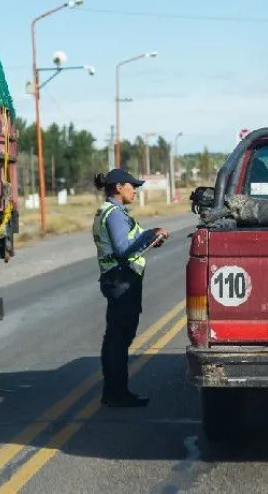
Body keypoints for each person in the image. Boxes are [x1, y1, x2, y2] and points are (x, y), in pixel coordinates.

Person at [92, 169, 170, 407]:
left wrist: (149, 238)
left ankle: (113, 392)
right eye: (131, 186)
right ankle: (117, 393)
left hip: (116, 278)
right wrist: (149, 235)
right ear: (118, 187)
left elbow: (127, 245)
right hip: (122, 279)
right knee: (119, 338)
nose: (135, 190)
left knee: (116, 337)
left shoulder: (109, 211)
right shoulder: (115, 214)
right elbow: (123, 249)